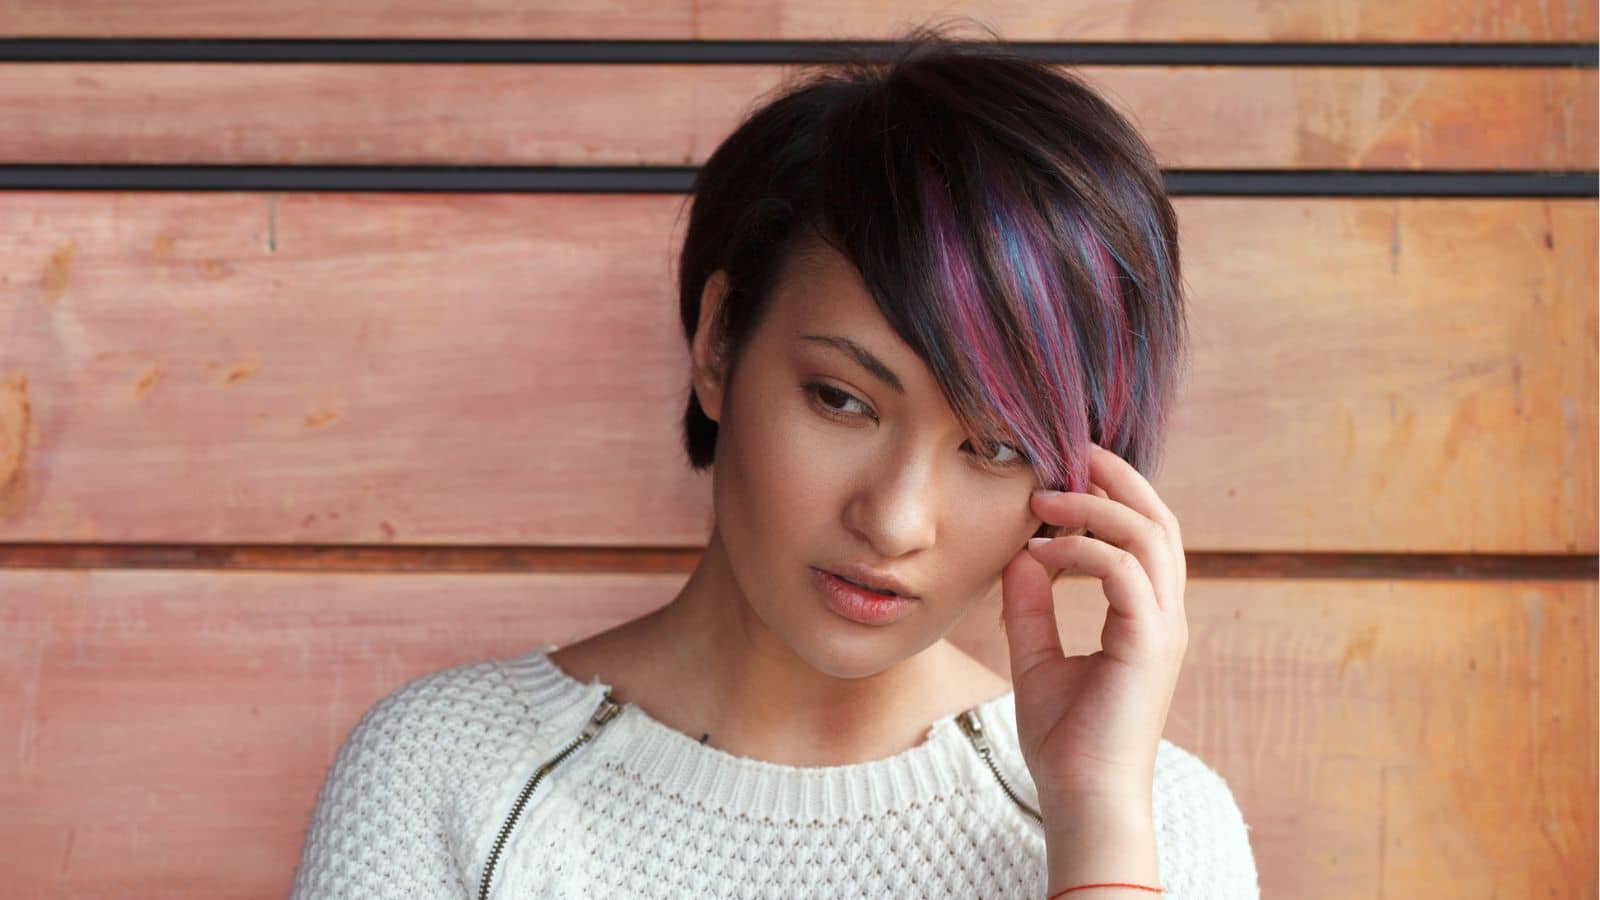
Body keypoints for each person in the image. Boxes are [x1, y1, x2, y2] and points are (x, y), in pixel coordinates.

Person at [289, 25, 1259, 900]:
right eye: (841, 399)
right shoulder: (447, 778)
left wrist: (1094, 821)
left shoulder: (1158, 823)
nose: (894, 520)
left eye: (995, 447)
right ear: (720, 344)